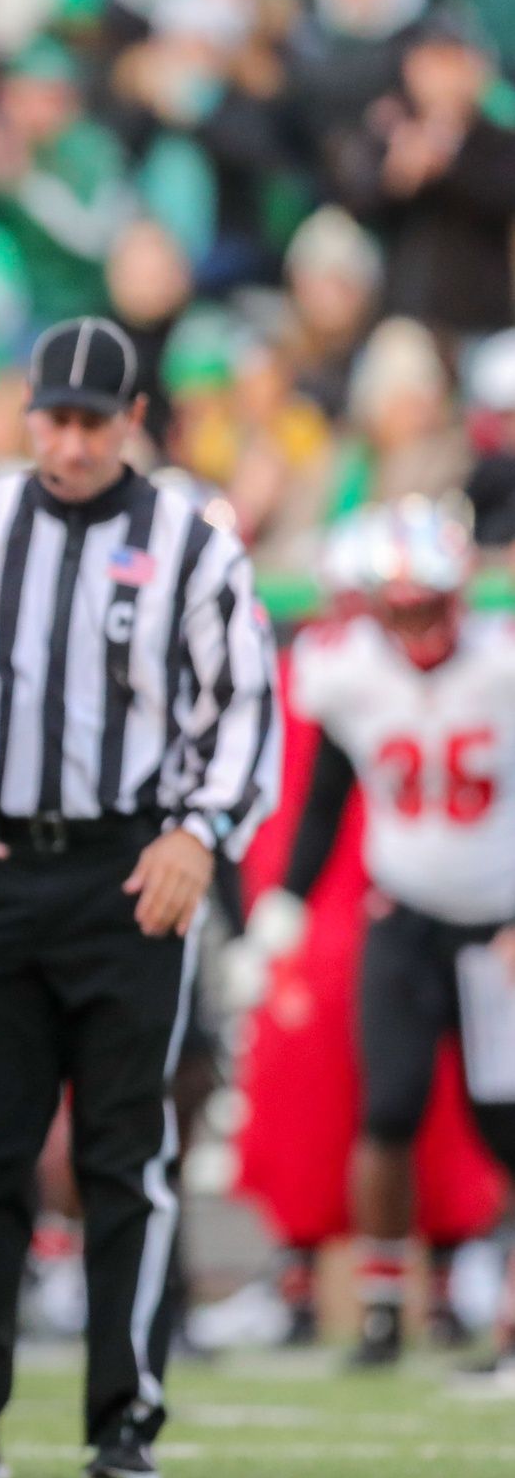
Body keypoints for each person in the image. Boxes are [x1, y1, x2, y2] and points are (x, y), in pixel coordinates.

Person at [0, 315, 281, 1478]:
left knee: (125, 1149)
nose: (62, 444)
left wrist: (198, 834)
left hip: (129, 869)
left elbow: (243, 705)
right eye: (48, 419)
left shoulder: (192, 545)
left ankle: (126, 1411)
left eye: (87, 423)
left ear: (132, 423)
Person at [226, 495, 515, 1369]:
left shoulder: (502, 666)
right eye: (399, 605)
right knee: (387, 1106)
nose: (415, 620)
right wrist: (282, 907)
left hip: (497, 925)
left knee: (503, 1124)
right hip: (403, 912)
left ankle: (496, 1310)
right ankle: (385, 1310)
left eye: (427, 600)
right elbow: (327, 796)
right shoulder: (347, 670)